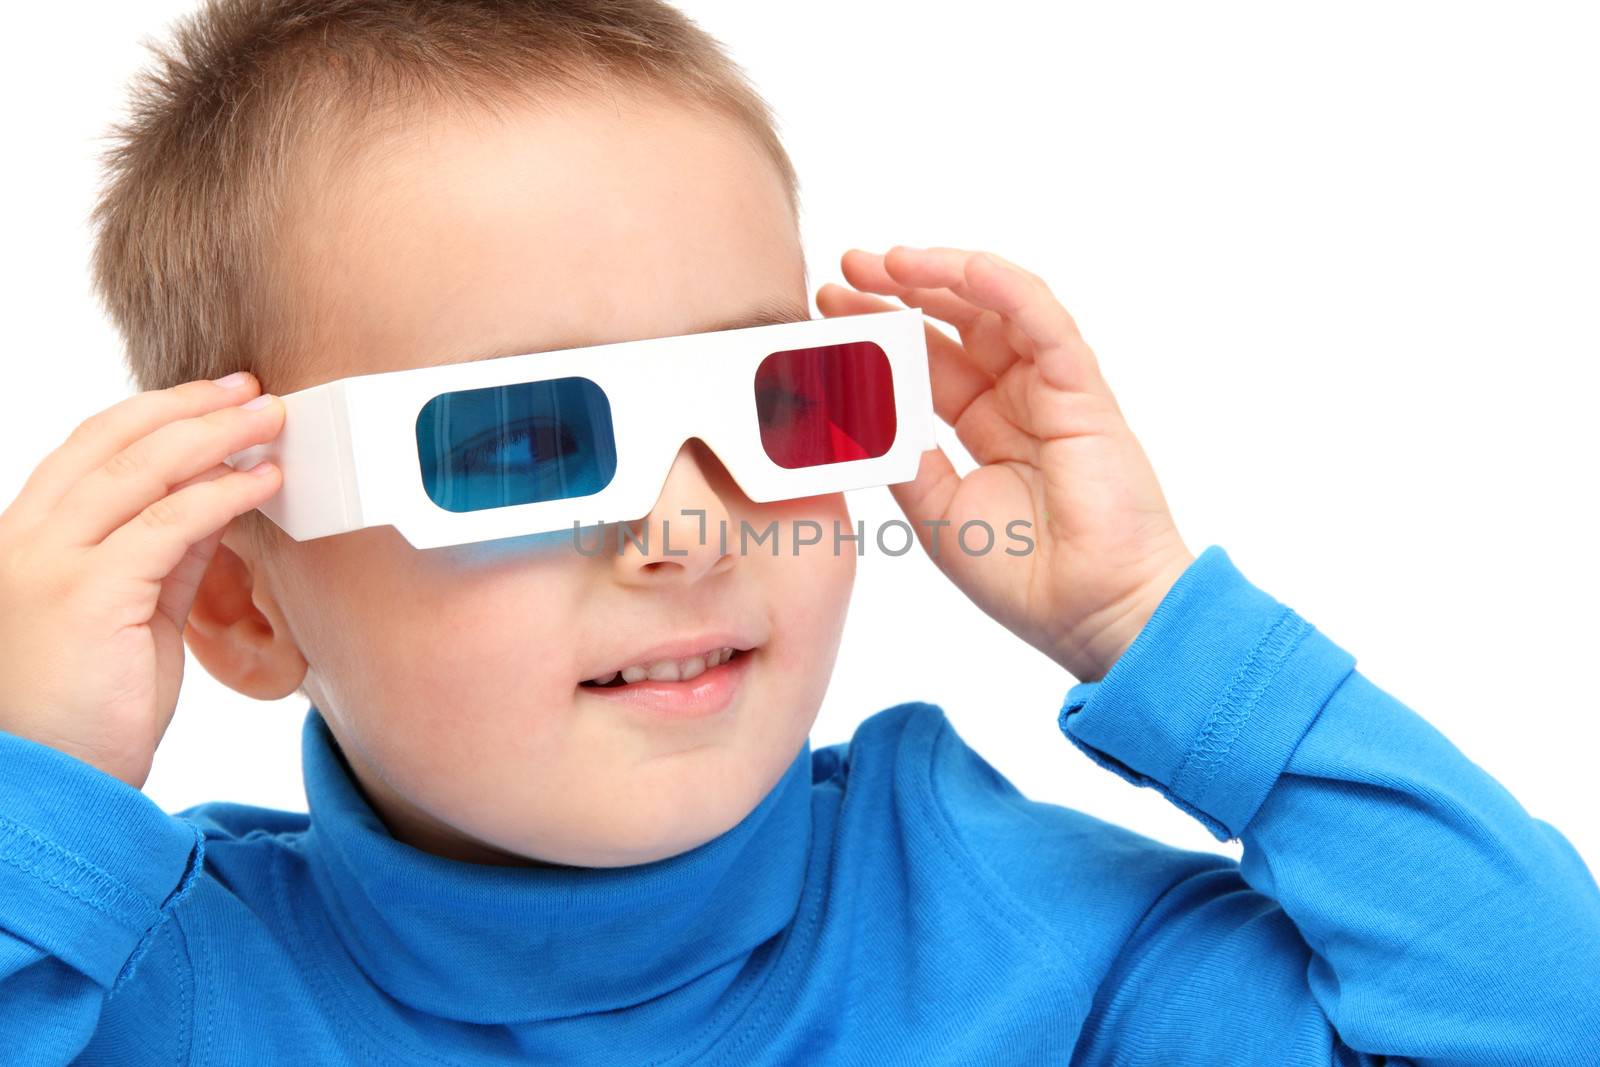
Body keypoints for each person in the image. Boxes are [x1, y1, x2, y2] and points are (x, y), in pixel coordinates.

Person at [1, 1, 1595, 1063]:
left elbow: (1538, 1015)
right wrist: (32, 796)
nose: (692, 525)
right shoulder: (124, 983)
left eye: (777, 397)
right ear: (239, 604)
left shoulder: (1017, 936)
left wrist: (1152, 625)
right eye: (515, 441)